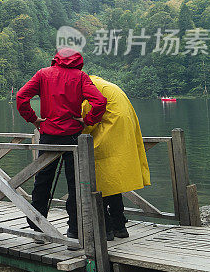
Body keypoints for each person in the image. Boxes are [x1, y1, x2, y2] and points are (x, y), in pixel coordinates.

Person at [16, 48, 107, 239]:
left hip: (48, 133)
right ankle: (74, 228)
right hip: (72, 135)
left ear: (55, 59)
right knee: (75, 182)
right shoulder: (81, 77)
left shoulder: (43, 74)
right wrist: (87, 120)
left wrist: (33, 119)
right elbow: (99, 101)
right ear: (78, 61)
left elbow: (21, 97)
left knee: (42, 179)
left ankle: (36, 223)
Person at [80, 75, 151, 240]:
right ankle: (120, 226)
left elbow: (89, 118)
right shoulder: (105, 85)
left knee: (100, 185)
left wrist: (76, 130)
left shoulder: (90, 87)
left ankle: (105, 230)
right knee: (113, 186)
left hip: (108, 136)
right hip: (122, 136)